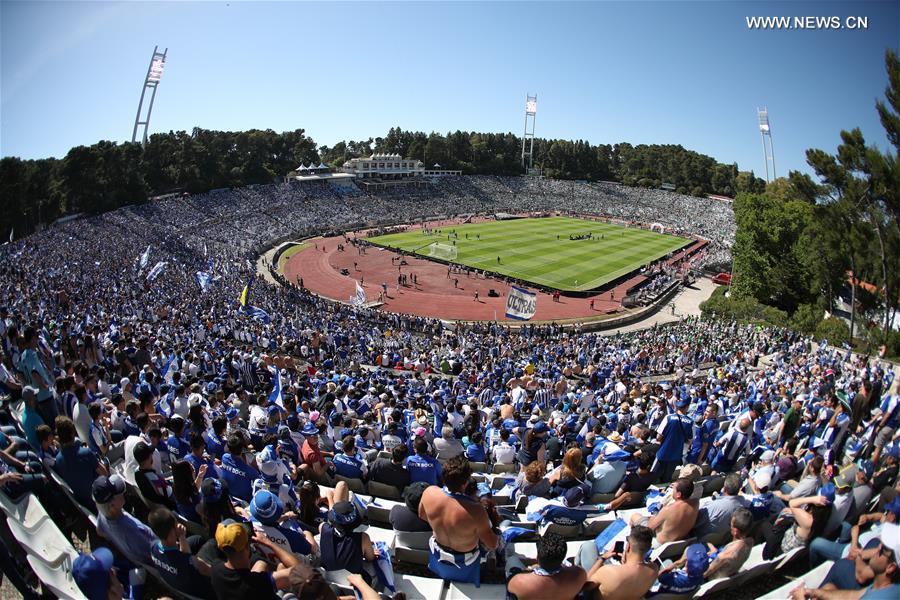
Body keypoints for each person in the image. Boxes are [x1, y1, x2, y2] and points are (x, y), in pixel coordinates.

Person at [418, 455, 499, 585]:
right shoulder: (476, 511)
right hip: (465, 561)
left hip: (437, 551)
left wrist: (444, 526)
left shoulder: (429, 492)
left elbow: (422, 515)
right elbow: (491, 544)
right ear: (466, 483)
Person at [210, 520, 302, 599]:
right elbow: (301, 571)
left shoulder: (215, 569)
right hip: (260, 592)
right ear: (247, 546)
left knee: (261, 564)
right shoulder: (258, 582)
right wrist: (268, 543)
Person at [147, 507, 215, 599]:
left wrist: (179, 539)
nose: (179, 525)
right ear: (171, 533)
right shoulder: (184, 561)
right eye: (176, 524)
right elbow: (207, 570)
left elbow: (183, 556)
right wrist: (182, 536)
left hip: (179, 580)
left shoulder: (153, 547)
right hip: (201, 589)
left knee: (197, 539)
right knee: (212, 543)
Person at [92, 474, 158, 567]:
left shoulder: (102, 513)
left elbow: (99, 531)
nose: (123, 493)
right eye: (119, 494)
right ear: (112, 506)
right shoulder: (131, 529)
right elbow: (153, 555)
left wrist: (114, 536)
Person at [582, 525, 659, 600]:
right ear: (649, 547)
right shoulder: (654, 569)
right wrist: (626, 564)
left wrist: (602, 558)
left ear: (628, 546)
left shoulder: (608, 571)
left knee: (588, 546)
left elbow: (584, 586)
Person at [506, 532, 587, 600]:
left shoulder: (517, 582)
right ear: (563, 557)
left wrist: (531, 569)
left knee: (512, 560)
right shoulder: (579, 574)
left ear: (537, 557)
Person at [53, 415, 106, 509]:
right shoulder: (85, 453)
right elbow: (105, 473)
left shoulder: (58, 459)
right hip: (99, 497)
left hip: (83, 502)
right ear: (72, 433)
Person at [318, 501, 378, 582]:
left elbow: (326, 526)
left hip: (328, 580)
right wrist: (369, 549)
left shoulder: (322, 528)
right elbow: (370, 558)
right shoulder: (363, 538)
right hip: (355, 583)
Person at [248, 490, 318, 559]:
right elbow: (313, 549)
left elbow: (268, 523)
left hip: (265, 559)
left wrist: (286, 516)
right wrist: (307, 532)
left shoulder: (250, 524)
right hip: (292, 565)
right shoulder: (291, 536)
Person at [630, 477, 698, 544]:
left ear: (678, 494)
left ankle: (634, 543)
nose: (672, 491)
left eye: (673, 489)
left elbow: (649, 528)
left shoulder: (668, 510)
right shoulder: (695, 503)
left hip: (660, 542)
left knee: (634, 516)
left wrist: (653, 515)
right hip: (681, 540)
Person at [691, 473, 748, 539]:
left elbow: (694, 522)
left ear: (725, 489)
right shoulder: (743, 504)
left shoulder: (712, 506)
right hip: (723, 538)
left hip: (700, 537)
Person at [220, 434, 259, 502]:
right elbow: (258, 480)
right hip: (245, 500)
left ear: (229, 448)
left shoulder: (224, 457)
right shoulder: (250, 471)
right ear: (242, 449)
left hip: (229, 495)